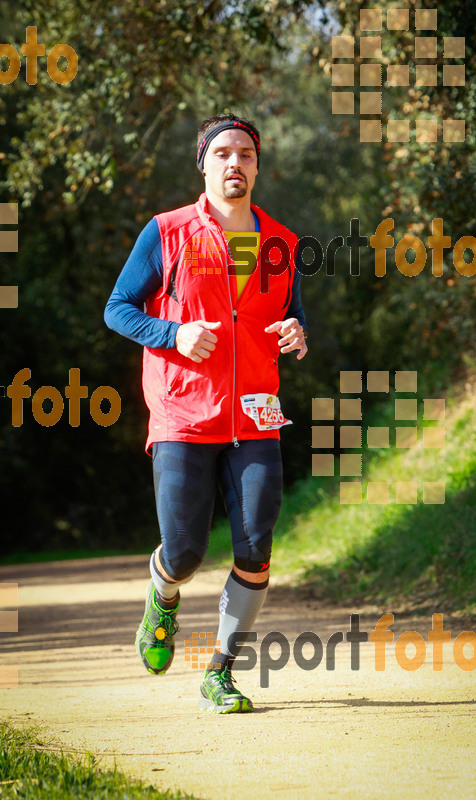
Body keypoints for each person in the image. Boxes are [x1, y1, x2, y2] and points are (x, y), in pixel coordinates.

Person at [104, 112, 307, 713]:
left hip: (256, 416)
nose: (234, 162)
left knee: (255, 545)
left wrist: (296, 330)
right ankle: (163, 596)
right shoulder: (165, 232)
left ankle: (220, 670)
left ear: (257, 163)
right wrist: (173, 334)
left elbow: (286, 315)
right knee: (186, 551)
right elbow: (118, 309)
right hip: (184, 413)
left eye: (245, 153)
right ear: (204, 163)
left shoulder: (282, 243)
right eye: (222, 153)